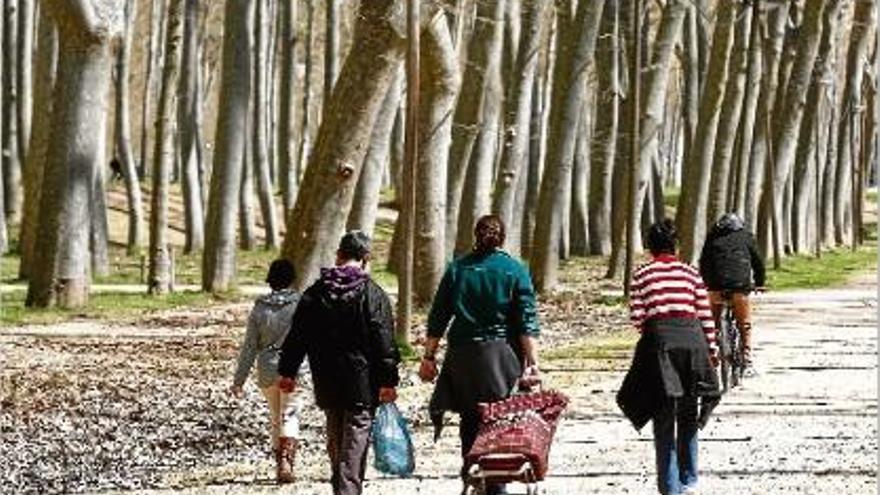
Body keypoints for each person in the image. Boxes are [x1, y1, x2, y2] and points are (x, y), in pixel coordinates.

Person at [420, 215, 540, 495]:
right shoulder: (514, 270)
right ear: (502, 237)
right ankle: (495, 485)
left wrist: (428, 357)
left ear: (476, 235)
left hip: (463, 357)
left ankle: (472, 477)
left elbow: (438, 317)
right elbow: (527, 321)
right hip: (502, 358)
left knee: (470, 420)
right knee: (498, 420)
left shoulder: (457, 269)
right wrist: (533, 363)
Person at [277, 231, 400, 495]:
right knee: (354, 442)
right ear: (365, 259)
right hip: (362, 382)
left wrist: (288, 371)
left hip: (327, 380)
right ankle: (346, 490)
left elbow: (298, 335)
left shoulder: (316, 292)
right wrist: (389, 380)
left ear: (339, 256)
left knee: (337, 438)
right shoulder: (373, 294)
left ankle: (342, 486)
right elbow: (384, 342)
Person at [617, 219, 721, 495]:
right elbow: (705, 315)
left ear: (650, 247)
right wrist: (711, 349)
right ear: (675, 244)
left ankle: (670, 486)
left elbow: (638, 318)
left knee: (663, 417)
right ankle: (689, 478)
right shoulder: (691, 273)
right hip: (692, 345)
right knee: (688, 412)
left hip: (661, 347)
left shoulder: (642, 275)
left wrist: (656, 330)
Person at [229, 258, 301, 484]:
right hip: (295, 368)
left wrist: (239, 379)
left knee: (275, 417)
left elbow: (249, 346)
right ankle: (286, 462)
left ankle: (279, 462)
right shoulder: (300, 305)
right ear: (291, 279)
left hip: (267, 367)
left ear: (270, 280)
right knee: (289, 413)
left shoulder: (260, 308)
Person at [699, 212, 766, 373]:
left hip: (715, 287)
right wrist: (759, 283)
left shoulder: (712, 237)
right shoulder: (746, 236)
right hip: (740, 287)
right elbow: (758, 263)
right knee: (744, 324)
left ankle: (711, 355)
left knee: (712, 324)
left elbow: (704, 263)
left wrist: (707, 284)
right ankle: (747, 355)